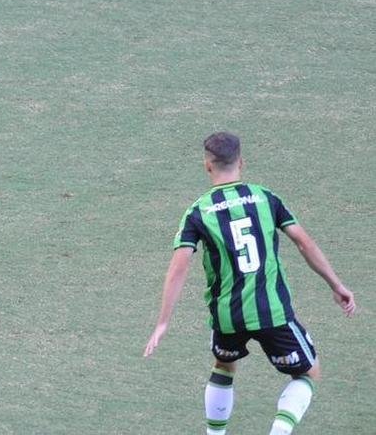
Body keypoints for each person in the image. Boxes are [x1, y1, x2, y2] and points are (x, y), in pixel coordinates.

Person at [143, 132, 357, 435]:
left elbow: (179, 268)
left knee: (224, 366)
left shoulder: (198, 211)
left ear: (207, 165)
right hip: (273, 313)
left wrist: (163, 322)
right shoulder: (265, 198)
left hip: (228, 317)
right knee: (308, 374)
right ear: (241, 162)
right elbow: (304, 243)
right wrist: (336, 285)